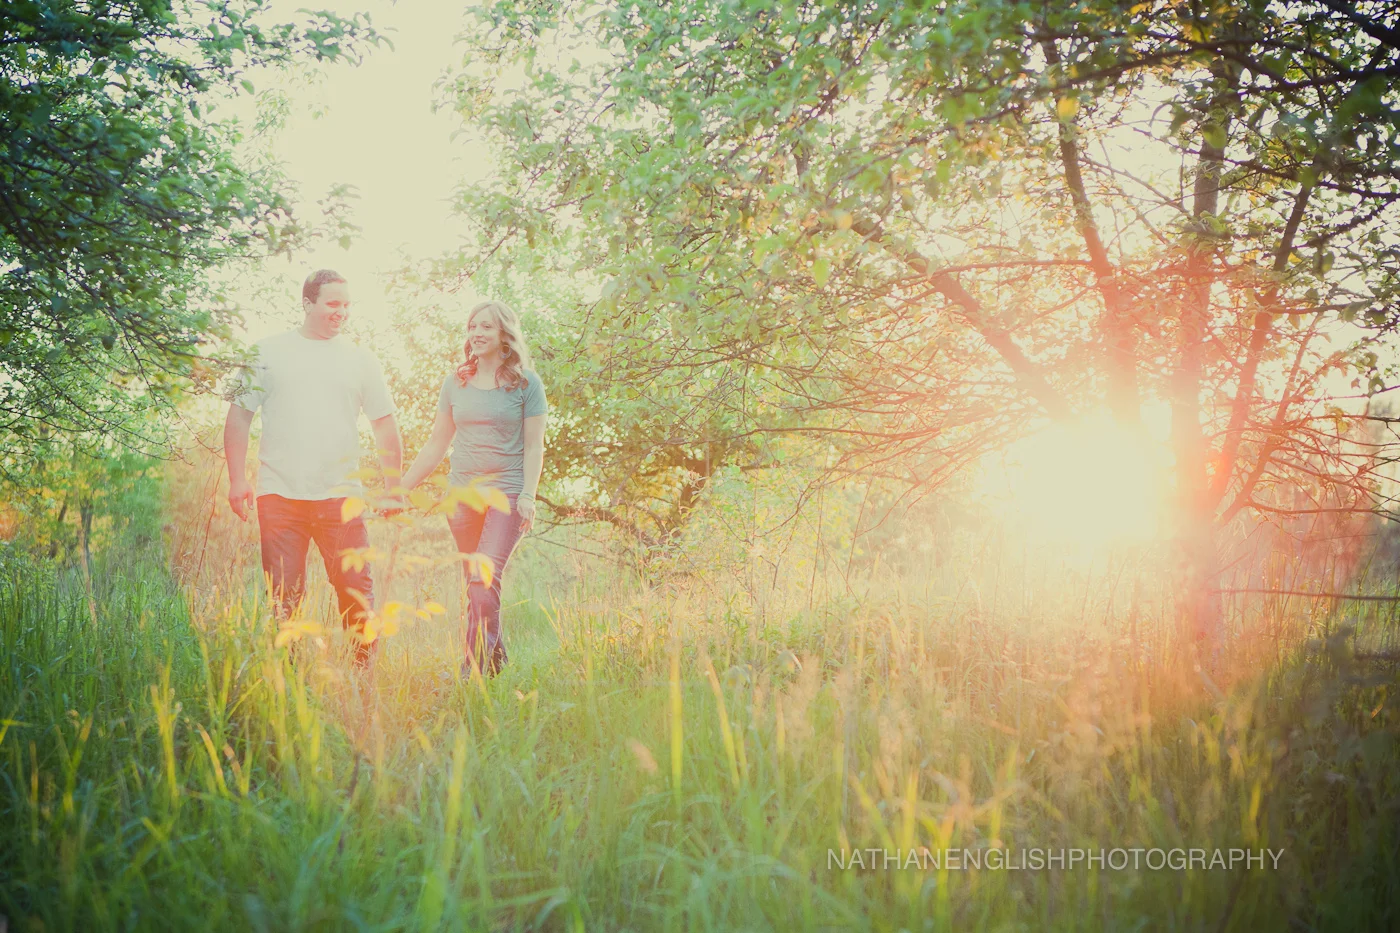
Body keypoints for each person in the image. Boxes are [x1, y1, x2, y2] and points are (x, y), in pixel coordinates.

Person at [224, 269, 403, 670]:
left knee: (356, 591)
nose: (341, 312)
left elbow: (384, 424)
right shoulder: (265, 352)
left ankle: (362, 674)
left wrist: (394, 486)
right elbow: (238, 417)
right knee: (284, 595)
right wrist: (238, 479)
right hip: (280, 495)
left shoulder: (361, 359)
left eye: (346, 304)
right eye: (332, 303)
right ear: (307, 304)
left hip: (341, 496)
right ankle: (286, 681)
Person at [400, 299, 547, 677]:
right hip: (462, 496)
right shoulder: (456, 382)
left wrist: (528, 496)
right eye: (472, 326)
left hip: (508, 493)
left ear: (504, 335)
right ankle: (495, 663)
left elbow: (534, 446)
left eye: (486, 327)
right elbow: (437, 443)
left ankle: (474, 670)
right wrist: (402, 488)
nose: (477, 333)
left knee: (483, 579)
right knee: (476, 585)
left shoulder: (527, 384)